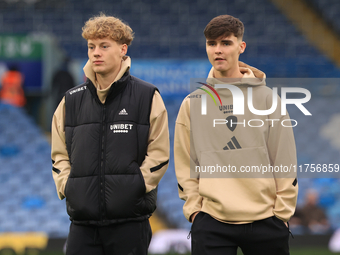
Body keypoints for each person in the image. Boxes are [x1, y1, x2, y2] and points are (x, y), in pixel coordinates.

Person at [174, 15, 298, 255]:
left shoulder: (268, 99)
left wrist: (282, 213)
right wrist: (195, 211)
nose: (218, 50)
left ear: (241, 47)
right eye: (212, 44)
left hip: (266, 220)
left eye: (226, 43)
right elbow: (184, 163)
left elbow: (284, 159)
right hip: (211, 221)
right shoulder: (192, 103)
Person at [51, 13, 170, 255]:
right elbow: (58, 154)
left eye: (104, 46)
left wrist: (136, 187)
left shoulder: (147, 96)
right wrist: (68, 186)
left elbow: (159, 154)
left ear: (123, 49)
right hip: (82, 225)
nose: (96, 52)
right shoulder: (70, 100)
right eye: (91, 46)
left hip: (130, 224)